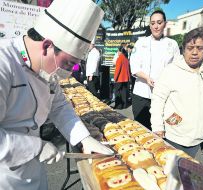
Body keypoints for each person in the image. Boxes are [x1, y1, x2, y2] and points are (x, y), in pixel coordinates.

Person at [0, 0, 113, 189]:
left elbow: (59, 106)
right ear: (47, 46)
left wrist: (84, 139)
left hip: (35, 173)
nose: (70, 72)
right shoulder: (4, 63)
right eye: (69, 64)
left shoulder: (47, 70)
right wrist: (37, 148)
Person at [150, 28, 203, 158]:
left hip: (197, 138)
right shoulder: (171, 71)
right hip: (173, 135)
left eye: (199, 48)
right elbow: (158, 100)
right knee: (169, 171)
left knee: (185, 171)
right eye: (190, 48)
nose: (194, 52)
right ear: (183, 49)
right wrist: (158, 127)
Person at [130, 10, 180, 130]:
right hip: (141, 93)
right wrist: (146, 78)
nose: (156, 26)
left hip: (163, 95)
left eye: (159, 22)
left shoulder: (172, 44)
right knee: (141, 129)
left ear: (165, 23)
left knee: (160, 130)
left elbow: (176, 68)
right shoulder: (141, 42)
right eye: (153, 23)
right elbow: (134, 66)